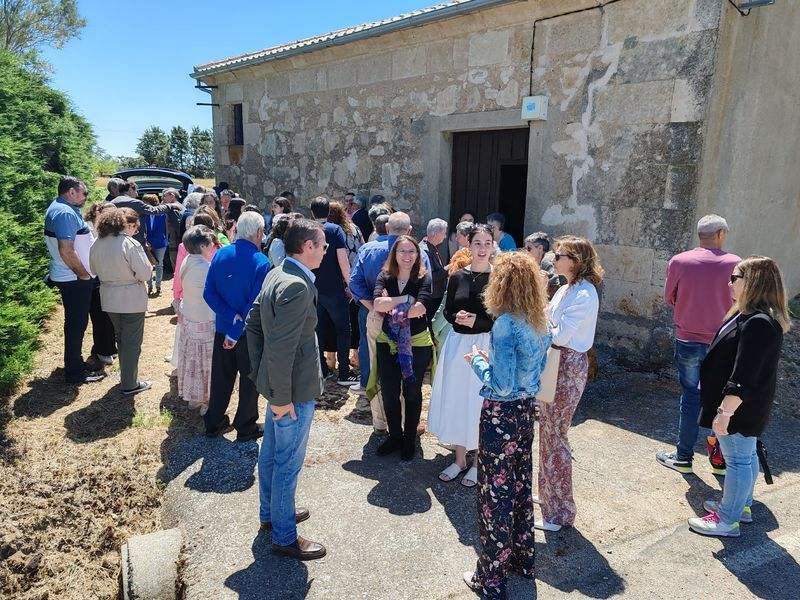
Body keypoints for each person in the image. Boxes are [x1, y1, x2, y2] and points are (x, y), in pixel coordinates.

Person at [462, 251, 552, 599]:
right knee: (518, 485)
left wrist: (477, 363)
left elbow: (499, 384)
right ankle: (521, 559)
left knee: (494, 493)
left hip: (501, 415)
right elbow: (534, 372)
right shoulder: (540, 319)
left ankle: (491, 578)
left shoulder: (505, 324)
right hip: (526, 410)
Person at [688, 256, 790, 537]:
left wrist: (724, 412)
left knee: (738, 460)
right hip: (739, 405)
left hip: (739, 407)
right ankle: (739, 506)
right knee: (743, 458)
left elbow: (745, 374)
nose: (729, 283)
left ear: (753, 282)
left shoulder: (759, 323)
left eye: (735, 278)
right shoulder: (747, 316)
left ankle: (727, 519)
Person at [246, 218, 327, 560]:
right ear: (308, 247)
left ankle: (272, 514)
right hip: (290, 392)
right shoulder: (295, 284)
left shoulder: (277, 272)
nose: (325, 250)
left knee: (271, 456)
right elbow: (280, 346)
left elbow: (253, 324)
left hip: (279, 386)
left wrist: (261, 376)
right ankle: (284, 535)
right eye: (322, 245)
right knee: (286, 463)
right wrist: (279, 398)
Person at [656, 215, 741, 475]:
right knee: (722, 399)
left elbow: (669, 297)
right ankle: (720, 460)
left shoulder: (679, 261)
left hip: (688, 338)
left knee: (690, 397)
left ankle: (683, 456)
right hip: (722, 341)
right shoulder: (735, 263)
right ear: (721, 234)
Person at [535, 236, 603, 531]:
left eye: (560, 255)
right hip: (554, 362)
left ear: (575, 260)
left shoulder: (585, 294)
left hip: (569, 364)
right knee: (547, 430)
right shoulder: (565, 289)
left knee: (557, 434)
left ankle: (560, 512)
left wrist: (543, 324)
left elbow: (559, 334)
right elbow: (548, 323)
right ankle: (548, 494)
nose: (555, 258)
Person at [428, 224, 494, 487]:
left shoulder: (499, 278)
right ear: (469, 245)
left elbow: (501, 316)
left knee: (478, 403)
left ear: (493, 246)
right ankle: (459, 459)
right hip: (458, 345)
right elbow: (447, 310)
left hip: (485, 345)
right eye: (477, 243)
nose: (482, 248)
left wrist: (477, 321)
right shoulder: (458, 277)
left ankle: (478, 463)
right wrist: (457, 318)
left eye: (487, 243)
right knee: (457, 399)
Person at [349, 212, 431, 419]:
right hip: (409, 320)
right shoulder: (418, 252)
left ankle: (379, 421)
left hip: (374, 314)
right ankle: (404, 419)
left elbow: (354, 283)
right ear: (410, 231)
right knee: (407, 372)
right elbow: (423, 289)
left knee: (377, 368)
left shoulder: (367, 249)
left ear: (386, 229)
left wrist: (373, 307)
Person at [203, 211, 270, 441]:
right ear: (259, 232)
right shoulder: (261, 261)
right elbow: (254, 303)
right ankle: (245, 425)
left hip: (223, 326)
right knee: (249, 379)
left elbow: (208, 293)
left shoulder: (220, 254)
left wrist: (230, 317)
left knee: (221, 377)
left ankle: (213, 421)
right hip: (247, 333)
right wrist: (236, 327)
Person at [371, 235, 433, 460]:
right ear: (394, 255)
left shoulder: (423, 279)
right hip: (388, 341)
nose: (407, 256)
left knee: (412, 392)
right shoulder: (385, 276)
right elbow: (378, 304)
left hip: (416, 342)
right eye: (402, 252)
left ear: (418, 255)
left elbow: (420, 310)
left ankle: (409, 440)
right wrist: (406, 298)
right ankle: (394, 436)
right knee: (388, 391)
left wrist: (393, 304)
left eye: (411, 252)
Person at [44, 176, 106, 384]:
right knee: (76, 324)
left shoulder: (63, 209)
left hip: (71, 277)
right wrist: (83, 274)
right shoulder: (64, 213)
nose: (86, 197)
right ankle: (74, 373)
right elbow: (67, 250)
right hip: (73, 278)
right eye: (84, 193)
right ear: (71, 192)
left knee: (76, 323)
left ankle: (76, 364)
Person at [90, 208, 153, 395]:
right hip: (131, 298)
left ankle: (126, 377)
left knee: (121, 338)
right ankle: (129, 383)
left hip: (109, 297)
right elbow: (144, 273)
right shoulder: (129, 244)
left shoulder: (97, 243)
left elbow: (93, 269)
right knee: (132, 342)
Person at [309, 196, 357, 385]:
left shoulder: (307, 229)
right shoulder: (334, 230)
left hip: (313, 288)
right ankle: (344, 372)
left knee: (317, 330)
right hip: (334, 288)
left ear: (312, 212)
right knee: (343, 330)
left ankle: (322, 369)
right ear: (328, 211)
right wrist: (350, 285)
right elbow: (343, 261)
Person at [175, 226, 217, 414]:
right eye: (210, 243)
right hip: (203, 320)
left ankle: (194, 397)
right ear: (202, 246)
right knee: (204, 363)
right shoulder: (204, 267)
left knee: (192, 360)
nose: (212, 246)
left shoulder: (187, 260)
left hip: (190, 317)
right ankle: (206, 400)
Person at [328, 200, 366, 370]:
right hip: (355, 280)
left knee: (332, 321)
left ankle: (331, 358)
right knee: (352, 321)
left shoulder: (329, 232)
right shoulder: (354, 229)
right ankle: (356, 356)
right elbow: (363, 249)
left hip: (336, 281)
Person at [80, 201, 118, 366]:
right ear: (97, 213)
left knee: (108, 315)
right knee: (99, 315)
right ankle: (103, 350)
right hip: (94, 276)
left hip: (105, 276)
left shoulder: (106, 229)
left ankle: (108, 348)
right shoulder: (88, 229)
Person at [113, 181, 183, 247]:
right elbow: (154, 210)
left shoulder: (112, 203)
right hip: (134, 242)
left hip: (115, 241)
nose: (137, 194)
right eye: (136, 191)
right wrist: (170, 205)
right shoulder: (135, 203)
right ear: (130, 189)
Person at [418, 218, 448, 324]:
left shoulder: (431, 247)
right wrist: (448, 269)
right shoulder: (424, 250)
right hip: (431, 298)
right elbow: (430, 276)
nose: (445, 236)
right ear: (436, 234)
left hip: (436, 296)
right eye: (443, 233)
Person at [142, 194, 168, 297]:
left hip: (160, 243)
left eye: (146, 202)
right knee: (148, 265)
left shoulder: (162, 214)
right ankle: (149, 286)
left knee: (159, 264)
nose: (144, 204)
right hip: (147, 243)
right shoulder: (144, 215)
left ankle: (158, 286)